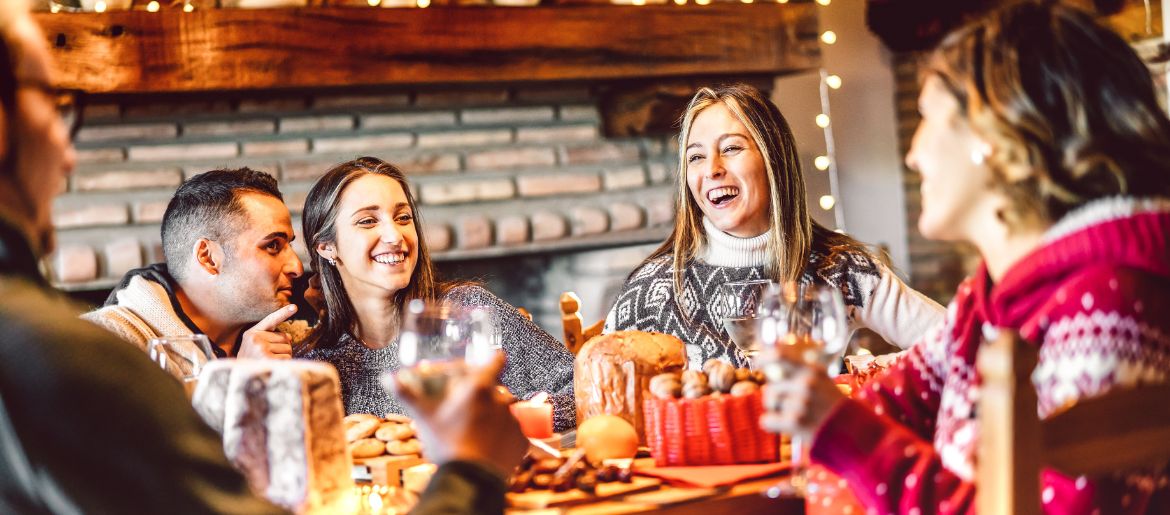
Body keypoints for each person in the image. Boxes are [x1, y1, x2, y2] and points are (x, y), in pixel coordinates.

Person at [762, 2, 1170, 513]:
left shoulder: (1108, 308)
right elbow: (895, 401)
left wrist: (844, 435)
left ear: (991, 139)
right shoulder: (990, 295)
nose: (913, 153)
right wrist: (834, 427)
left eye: (927, 119)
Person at [605, 83, 944, 369]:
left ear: (774, 159)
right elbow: (594, 390)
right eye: (696, 157)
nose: (712, 169)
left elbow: (957, 345)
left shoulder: (838, 267)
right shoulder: (652, 289)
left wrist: (858, 370)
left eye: (731, 148)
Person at [297, 156, 577, 431]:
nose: (395, 236)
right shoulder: (314, 363)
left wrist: (514, 420)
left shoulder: (467, 310)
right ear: (326, 247)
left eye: (403, 217)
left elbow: (584, 387)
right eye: (368, 221)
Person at [83, 168, 308, 370]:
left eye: (288, 245)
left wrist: (332, 326)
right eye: (272, 245)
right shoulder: (105, 344)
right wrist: (240, 379)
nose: (297, 267)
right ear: (208, 257)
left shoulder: (283, 339)